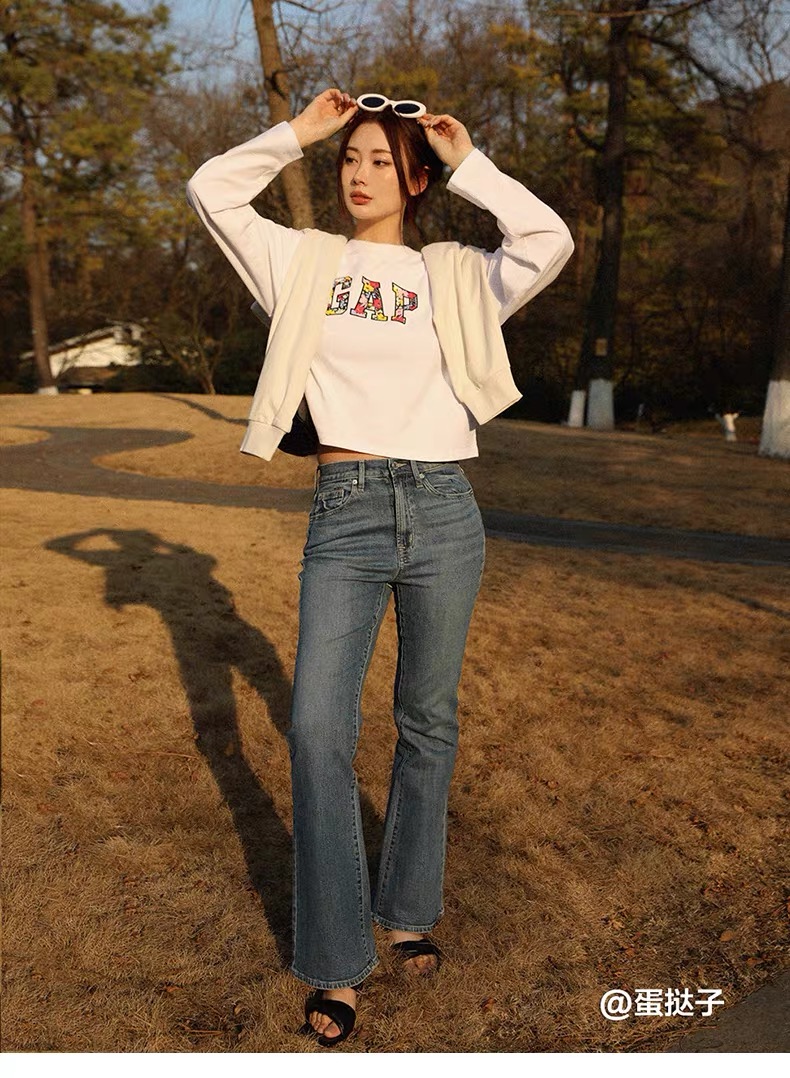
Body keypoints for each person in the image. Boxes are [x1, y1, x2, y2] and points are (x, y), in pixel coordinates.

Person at [186, 87, 574, 1047]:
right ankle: (335, 959)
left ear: (416, 179)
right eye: (349, 158)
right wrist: (298, 133)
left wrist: (469, 160)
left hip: (444, 507)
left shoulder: (457, 273)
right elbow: (211, 190)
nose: (359, 175)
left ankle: (406, 910)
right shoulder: (301, 260)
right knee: (318, 728)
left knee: (427, 722)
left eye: (378, 160)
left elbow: (548, 238)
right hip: (347, 508)